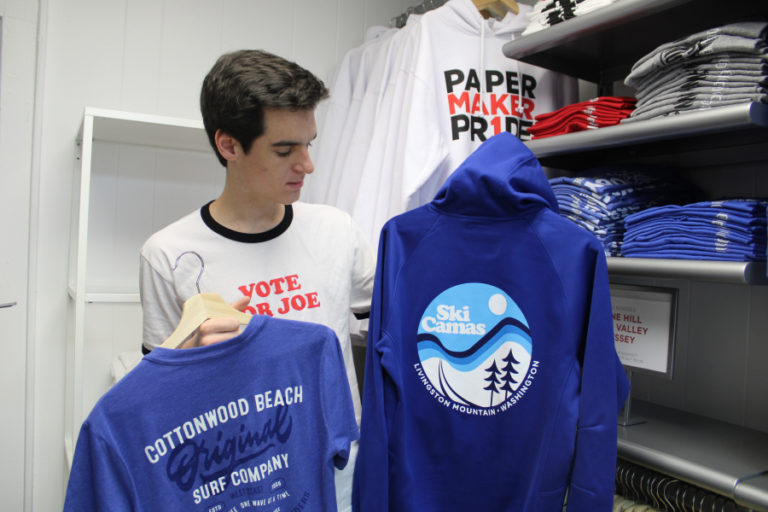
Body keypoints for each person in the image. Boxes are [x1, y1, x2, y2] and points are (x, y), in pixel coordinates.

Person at [139, 49, 375, 512]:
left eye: (310, 144)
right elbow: (157, 402)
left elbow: (392, 328)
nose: (307, 165)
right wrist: (191, 355)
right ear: (229, 145)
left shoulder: (336, 231)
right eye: (285, 150)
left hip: (337, 480)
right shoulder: (167, 254)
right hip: (237, 485)